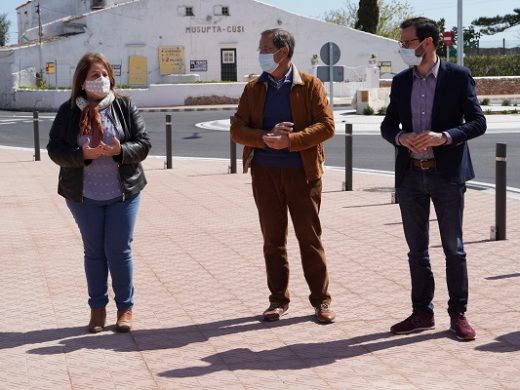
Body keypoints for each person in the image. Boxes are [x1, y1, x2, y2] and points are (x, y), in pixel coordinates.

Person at [381, 17, 486, 341]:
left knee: (454, 249)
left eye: (407, 43)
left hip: (447, 177)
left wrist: (445, 136)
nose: (402, 48)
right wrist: (401, 138)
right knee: (417, 251)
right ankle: (422, 312)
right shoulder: (401, 81)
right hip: (411, 176)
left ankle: (458, 315)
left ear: (427, 43)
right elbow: (388, 125)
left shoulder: (457, 77)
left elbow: (477, 122)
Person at [231, 29, 336, 323]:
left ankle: (321, 301)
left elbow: (327, 126)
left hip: (302, 175)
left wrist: (291, 141)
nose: (260, 52)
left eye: (266, 48)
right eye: (260, 47)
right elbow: (237, 129)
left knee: (309, 238)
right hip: (265, 175)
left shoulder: (310, 85)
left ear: (283, 52)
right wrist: (265, 138)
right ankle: (278, 300)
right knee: (273, 240)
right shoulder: (253, 89)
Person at [47, 52, 151, 333]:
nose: (101, 80)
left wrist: (120, 151)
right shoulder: (68, 111)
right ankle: (97, 310)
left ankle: (125, 310)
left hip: (123, 193)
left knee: (119, 250)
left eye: (105, 75)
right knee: (94, 252)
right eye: (95, 75)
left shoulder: (125, 106)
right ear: (82, 82)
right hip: (83, 196)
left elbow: (143, 144)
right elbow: (55, 150)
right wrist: (82, 154)